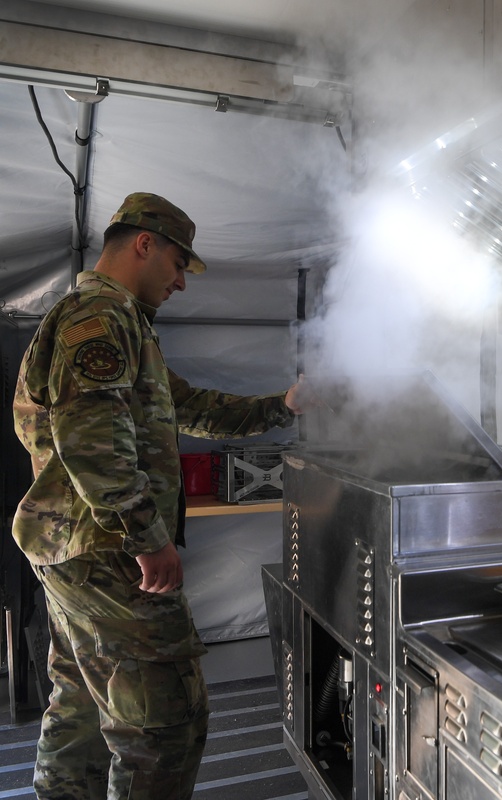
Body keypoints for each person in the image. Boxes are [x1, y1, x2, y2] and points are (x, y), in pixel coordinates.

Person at [11, 192, 312, 799]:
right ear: (143, 244)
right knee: (165, 722)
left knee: (83, 705)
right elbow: (92, 440)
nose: (180, 282)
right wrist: (146, 538)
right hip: (108, 554)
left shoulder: (126, 327)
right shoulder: (98, 320)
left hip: (77, 550)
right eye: (178, 264)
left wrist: (283, 406)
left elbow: (192, 407)